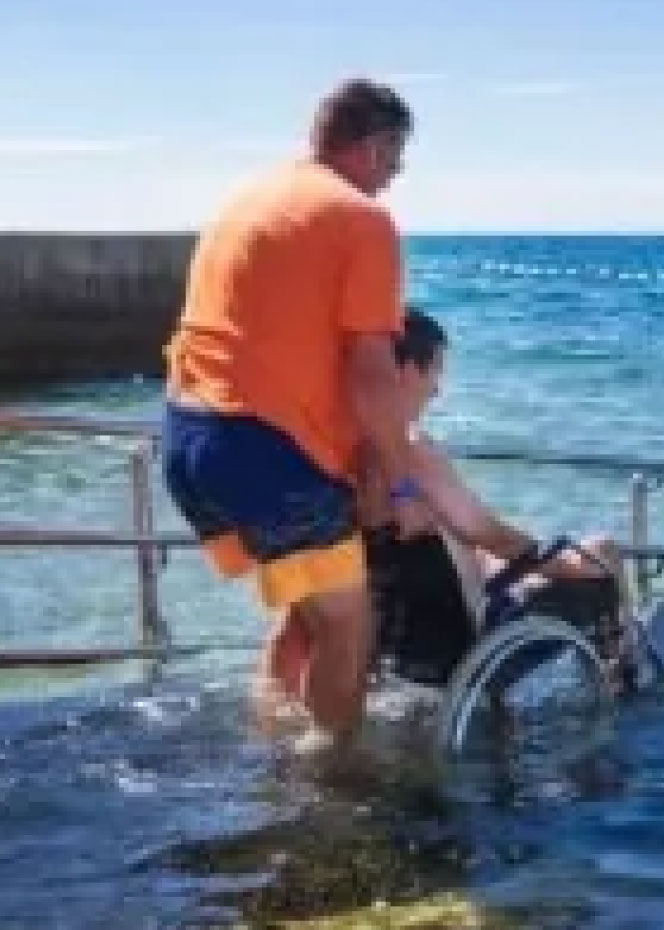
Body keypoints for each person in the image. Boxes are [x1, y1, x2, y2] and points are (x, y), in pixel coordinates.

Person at [161, 78, 425, 752]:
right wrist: (403, 484)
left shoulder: (251, 199)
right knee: (347, 626)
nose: (395, 177)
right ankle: (330, 787)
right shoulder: (360, 219)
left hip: (191, 439)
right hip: (269, 451)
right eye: (396, 158)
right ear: (373, 146)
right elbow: (371, 372)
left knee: (303, 610)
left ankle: (274, 744)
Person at [360, 309, 633, 679]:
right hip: (476, 640)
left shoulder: (352, 456)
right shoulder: (414, 451)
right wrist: (564, 567)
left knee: (511, 563)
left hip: (409, 642)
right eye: (436, 373)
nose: (437, 389)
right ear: (408, 371)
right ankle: (624, 678)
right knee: (603, 551)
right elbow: (489, 534)